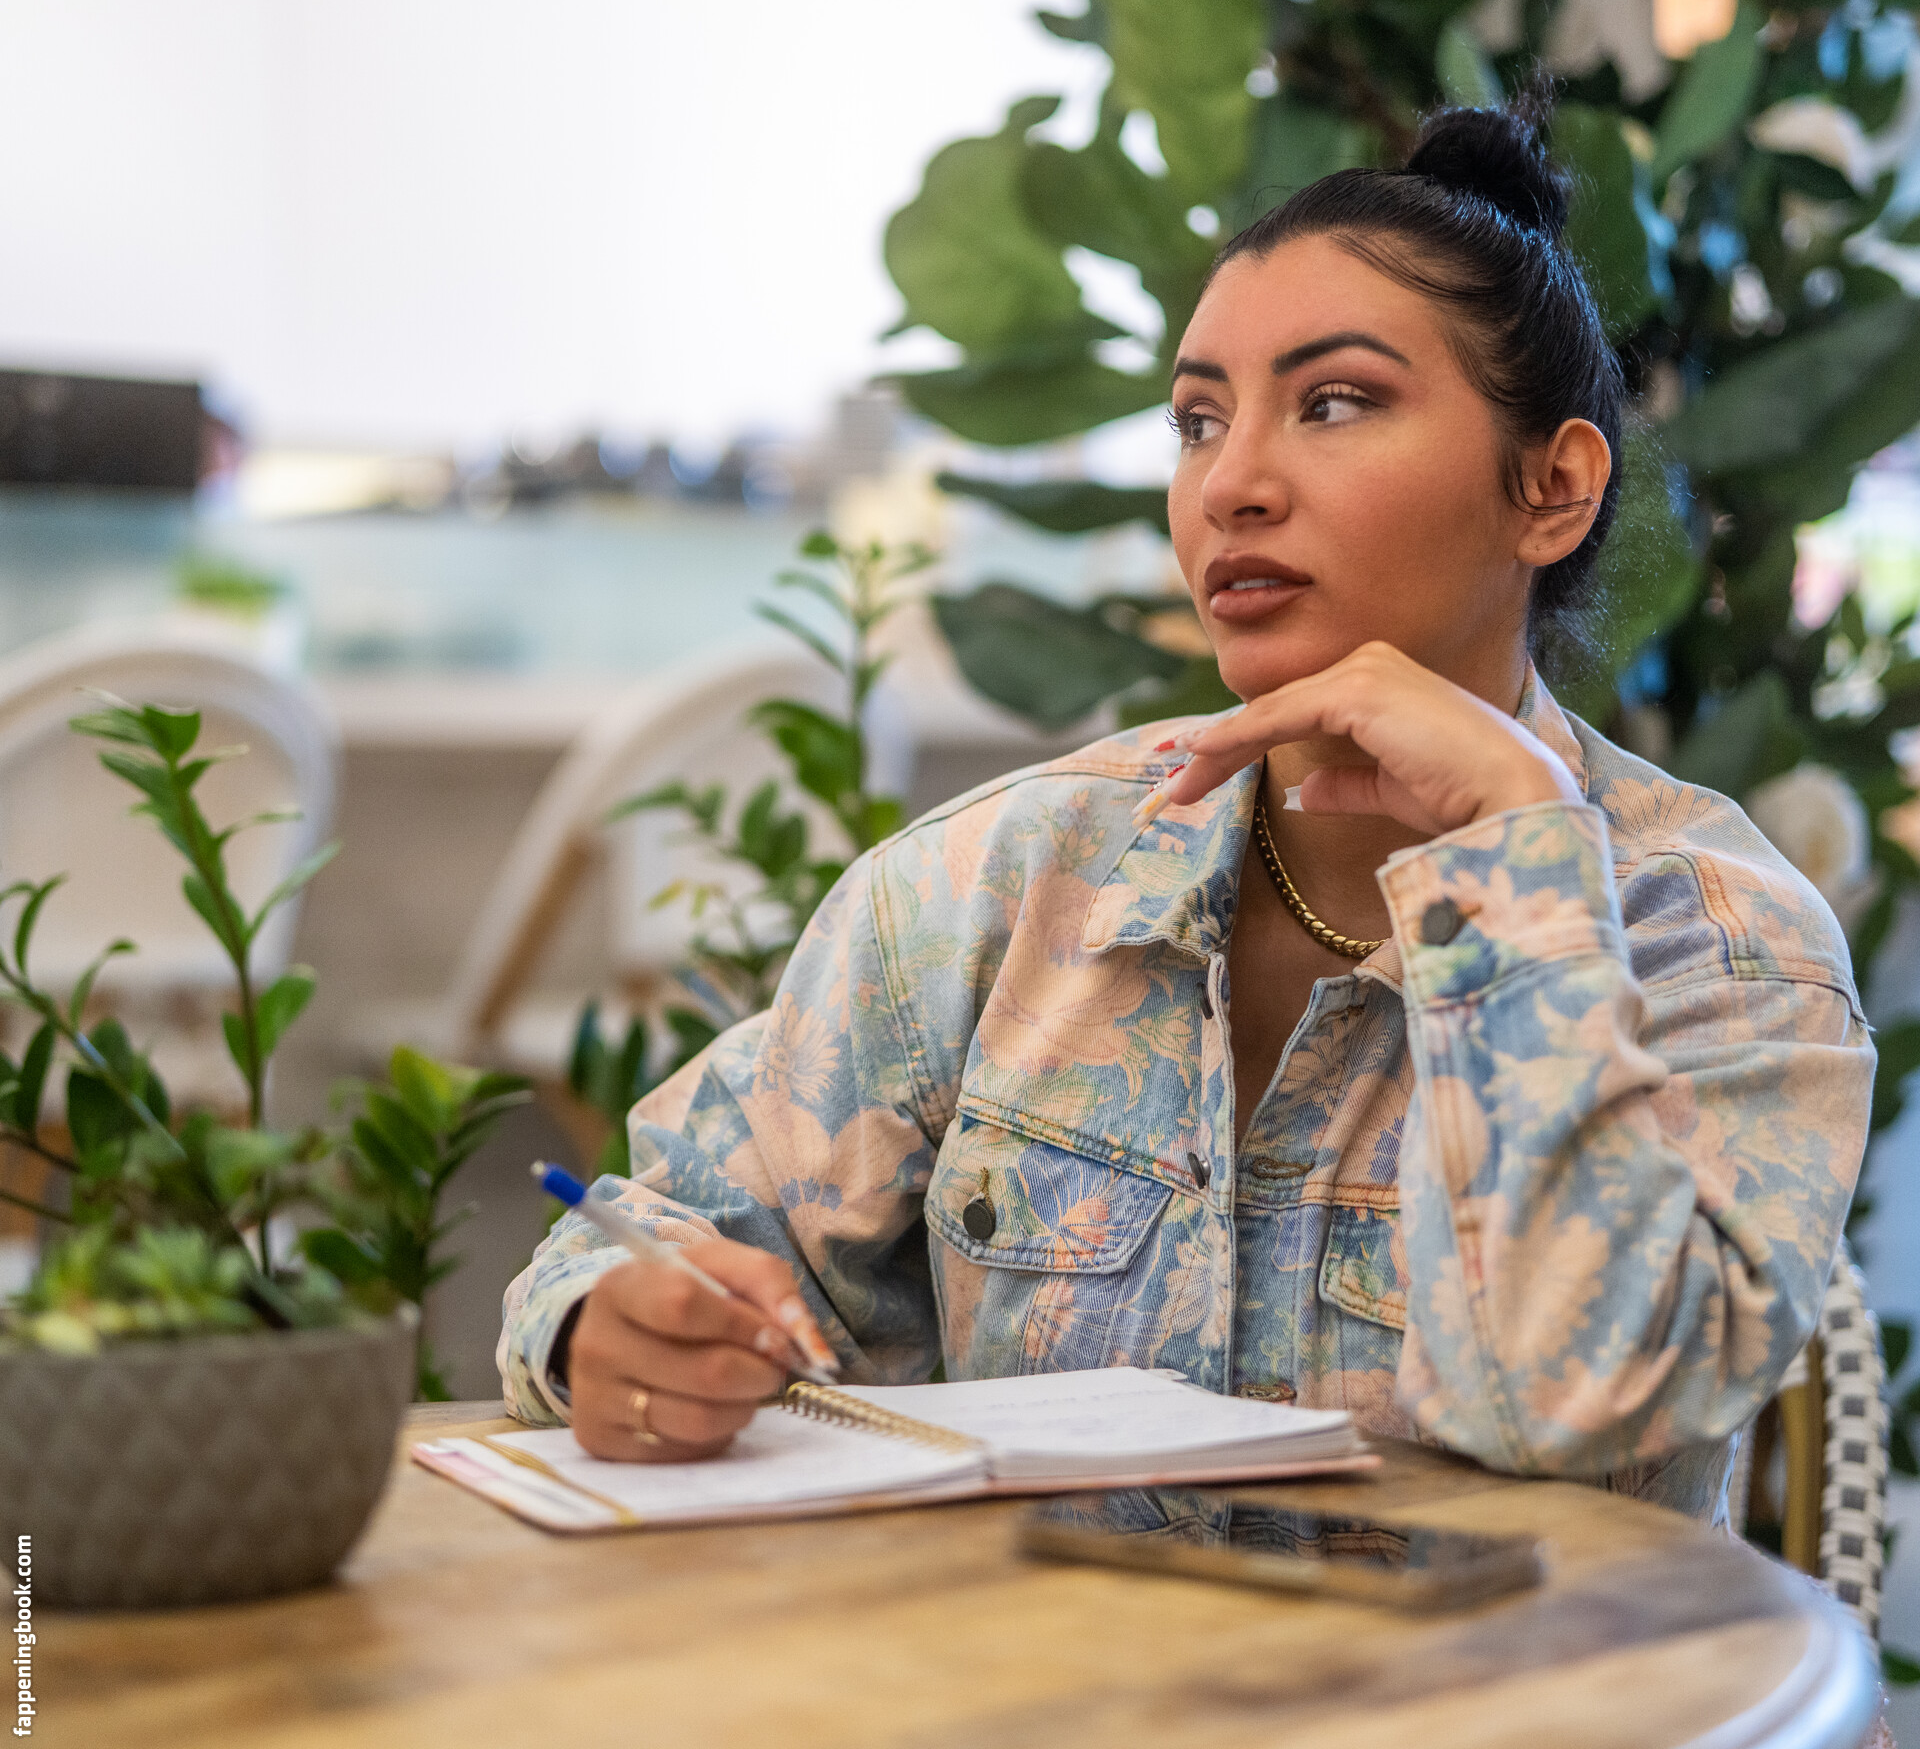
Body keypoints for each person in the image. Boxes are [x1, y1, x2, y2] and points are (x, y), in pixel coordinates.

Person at [499, 94, 1872, 1521]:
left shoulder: (1719, 947)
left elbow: (1567, 1402)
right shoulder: (1003, 882)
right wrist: (617, 1328)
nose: (1232, 485)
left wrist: (1516, 859)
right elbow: (641, 1235)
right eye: (1198, 422)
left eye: (1334, 403)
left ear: (1553, 488)